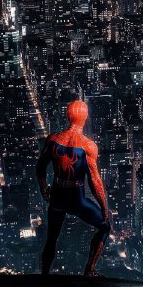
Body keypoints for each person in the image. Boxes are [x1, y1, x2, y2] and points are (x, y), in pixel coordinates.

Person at [36, 99, 111, 276]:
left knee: (51, 239)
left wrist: (44, 188)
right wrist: (104, 207)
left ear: (67, 116)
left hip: (57, 197)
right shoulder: (88, 146)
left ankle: (44, 276)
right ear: (85, 118)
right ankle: (89, 270)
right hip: (77, 200)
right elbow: (95, 181)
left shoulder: (53, 139)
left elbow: (40, 167)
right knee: (104, 227)